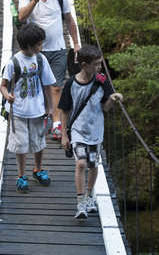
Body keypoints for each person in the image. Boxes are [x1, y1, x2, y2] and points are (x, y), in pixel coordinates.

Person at [58, 45, 123, 219]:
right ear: (84, 65)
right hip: (78, 130)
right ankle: (81, 202)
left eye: (100, 64)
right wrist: (64, 135)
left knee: (93, 165)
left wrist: (112, 99)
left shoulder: (102, 80)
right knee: (81, 163)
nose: (100, 68)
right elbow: (63, 110)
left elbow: (105, 108)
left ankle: (89, 195)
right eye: (96, 64)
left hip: (95, 130)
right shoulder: (71, 83)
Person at [18, 0, 81, 142]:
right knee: (37, 87)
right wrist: (35, 1)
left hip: (58, 48)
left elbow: (69, 20)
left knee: (56, 87)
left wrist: (76, 44)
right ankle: (43, 117)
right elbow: (22, 17)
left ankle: (56, 124)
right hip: (35, 51)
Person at [0, 22, 56, 192]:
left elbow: (48, 85)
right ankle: (21, 175)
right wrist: (7, 95)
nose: (41, 47)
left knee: (39, 142)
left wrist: (51, 107)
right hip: (18, 112)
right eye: (39, 44)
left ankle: (38, 170)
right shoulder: (13, 62)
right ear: (29, 46)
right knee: (21, 144)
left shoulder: (41, 59)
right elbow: (3, 85)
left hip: (38, 110)